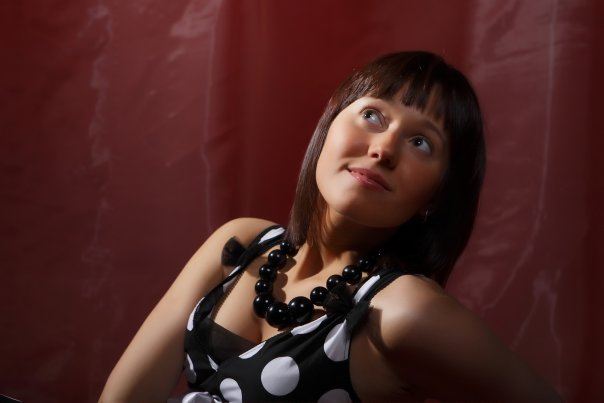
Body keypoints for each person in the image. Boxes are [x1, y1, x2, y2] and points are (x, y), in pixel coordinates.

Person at [99, 51, 561, 402]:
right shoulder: (240, 243)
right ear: (331, 120)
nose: (383, 149)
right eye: (373, 115)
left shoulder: (401, 310)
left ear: (436, 196)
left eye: (421, 142)